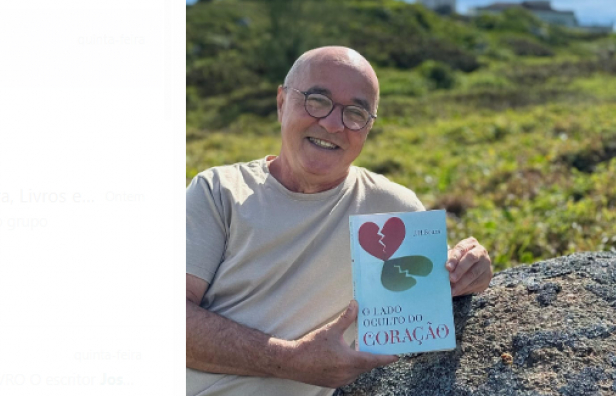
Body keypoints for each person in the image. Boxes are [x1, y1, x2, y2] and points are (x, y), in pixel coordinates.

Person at [186, 46, 493, 396]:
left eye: (356, 113)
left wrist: (471, 271)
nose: (333, 124)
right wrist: (291, 359)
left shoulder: (395, 209)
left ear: (369, 127)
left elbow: (433, 293)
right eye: (317, 100)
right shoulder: (218, 191)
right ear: (282, 103)